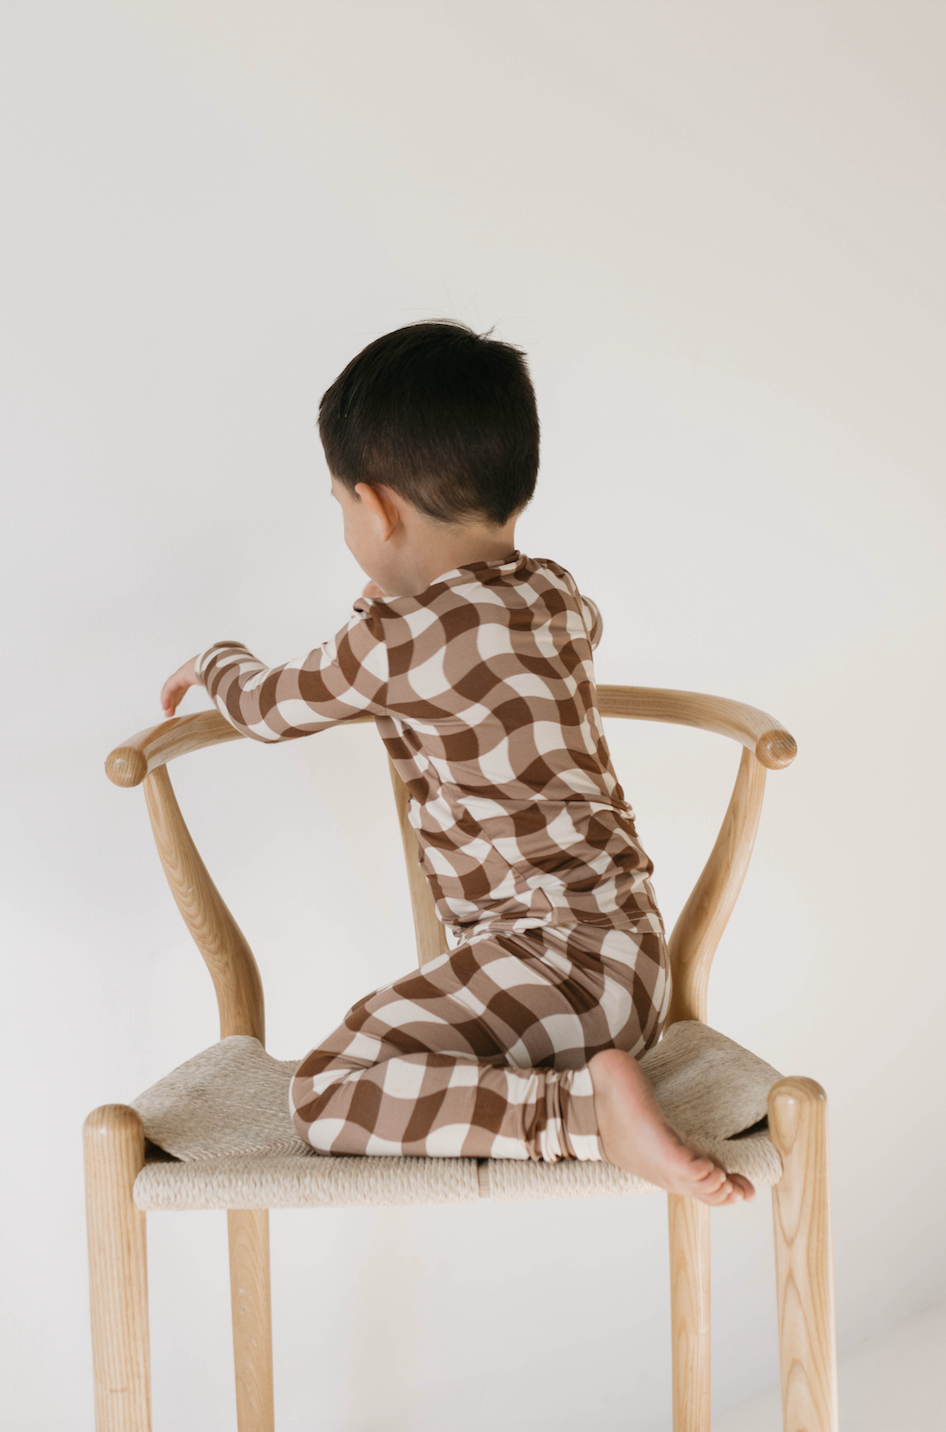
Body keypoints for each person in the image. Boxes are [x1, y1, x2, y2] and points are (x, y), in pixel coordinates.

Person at [161, 321, 753, 1206]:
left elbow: (267, 709)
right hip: (632, 965)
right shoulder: (555, 593)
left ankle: (584, 1119)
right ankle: (594, 1093)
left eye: (340, 506)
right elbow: (576, 630)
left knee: (325, 1090)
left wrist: (216, 659)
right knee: (382, 1053)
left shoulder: (392, 640)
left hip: (545, 966)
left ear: (379, 509)